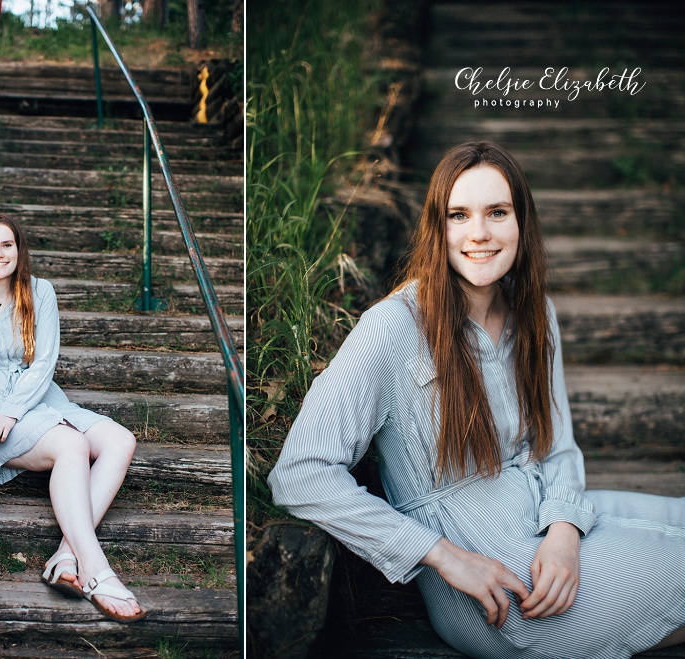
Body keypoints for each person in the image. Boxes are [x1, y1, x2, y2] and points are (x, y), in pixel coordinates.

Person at [267, 142, 684, 658]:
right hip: (493, 578)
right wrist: (440, 554)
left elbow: (556, 446)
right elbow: (300, 472)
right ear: (436, 229)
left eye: (497, 213)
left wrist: (564, 529)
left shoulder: (535, 313)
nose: (479, 233)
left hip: (543, 520)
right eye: (458, 215)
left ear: (521, 223)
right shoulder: (394, 329)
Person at [0, 214, 147, 623]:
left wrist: (16, 410)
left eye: (6, 245)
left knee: (121, 440)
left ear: (18, 249)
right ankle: (96, 568)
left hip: (40, 398)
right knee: (73, 445)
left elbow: (44, 361)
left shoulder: (39, 292)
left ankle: (65, 556)